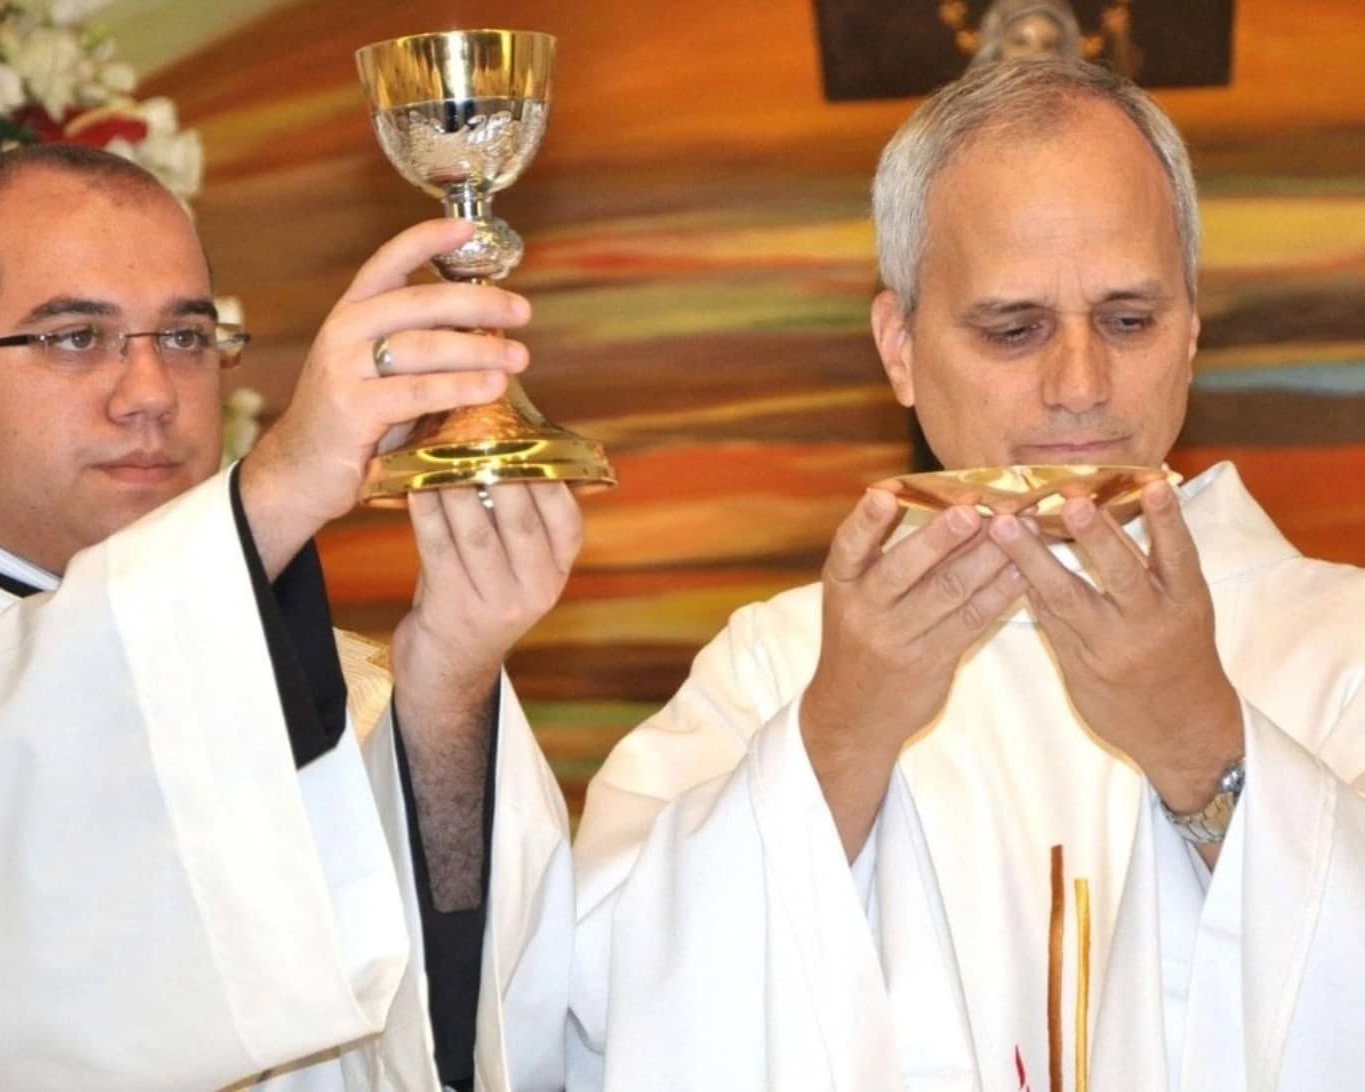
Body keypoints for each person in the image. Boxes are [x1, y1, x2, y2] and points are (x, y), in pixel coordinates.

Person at [570, 59, 1365, 1090]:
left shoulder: (1339, 644)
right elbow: (596, 999)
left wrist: (1201, 748)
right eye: (1012, 328)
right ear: (898, 347)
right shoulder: (775, 667)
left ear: (1190, 332)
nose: (1078, 385)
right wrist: (840, 736)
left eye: (1127, 320)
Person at [0, 143, 577, 1091]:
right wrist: (278, 484)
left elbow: (466, 1033)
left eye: (185, 338)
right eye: (75, 337)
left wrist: (444, 696)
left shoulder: (346, 681)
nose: (151, 394)